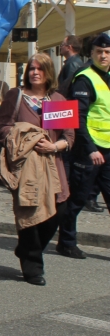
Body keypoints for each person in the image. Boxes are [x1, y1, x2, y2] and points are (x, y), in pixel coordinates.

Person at [0, 53, 73, 285]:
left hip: (53, 164)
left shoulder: (58, 99)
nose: (35, 73)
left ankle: (27, 249)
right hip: (26, 164)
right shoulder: (16, 95)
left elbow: (69, 136)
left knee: (60, 209)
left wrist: (53, 146)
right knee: (29, 211)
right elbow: (1, 127)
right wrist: (25, 137)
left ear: (49, 72)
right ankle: (33, 266)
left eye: (40, 69)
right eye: (31, 69)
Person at [59, 33, 110, 257]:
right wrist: (90, 149)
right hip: (88, 150)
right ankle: (66, 242)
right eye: (99, 52)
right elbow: (78, 118)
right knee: (77, 198)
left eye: (107, 52)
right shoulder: (84, 78)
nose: (103, 56)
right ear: (92, 53)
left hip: (107, 148)